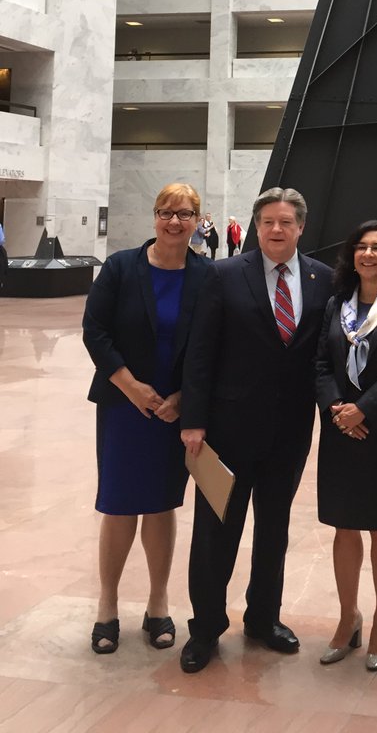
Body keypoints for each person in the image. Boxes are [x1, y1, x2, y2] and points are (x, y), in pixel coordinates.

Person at [179, 186, 333, 673]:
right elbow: (200, 353)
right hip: (225, 431)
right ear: (255, 225)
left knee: (274, 529)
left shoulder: (322, 278)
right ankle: (204, 628)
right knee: (214, 534)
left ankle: (264, 619)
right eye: (267, 221)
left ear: (301, 227)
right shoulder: (223, 274)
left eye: (286, 222)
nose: (276, 230)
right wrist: (193, 422)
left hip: (289, 432)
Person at [82, 183, 212, 655]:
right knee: (118, 505)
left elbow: (209, 348)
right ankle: (107, 605)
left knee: (160, 505)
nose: (174, 222)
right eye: (165, 212)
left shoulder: (206, 275)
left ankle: (158, 603)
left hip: (172, 411)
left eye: (185, 213)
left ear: (199, 220)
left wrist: (182, 398)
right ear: (154, 216)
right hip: (124, 405)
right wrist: (130, 385)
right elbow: (94, 330)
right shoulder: (120, 267)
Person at [315, 220, 377, 672]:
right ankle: (347, 617)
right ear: (351, 255)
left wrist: (364, 410)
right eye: (361, 247)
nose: (369, 254)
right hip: (340, 428)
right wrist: (338, 409)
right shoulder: (337, 303)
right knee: (343, 525)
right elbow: (319, 362)